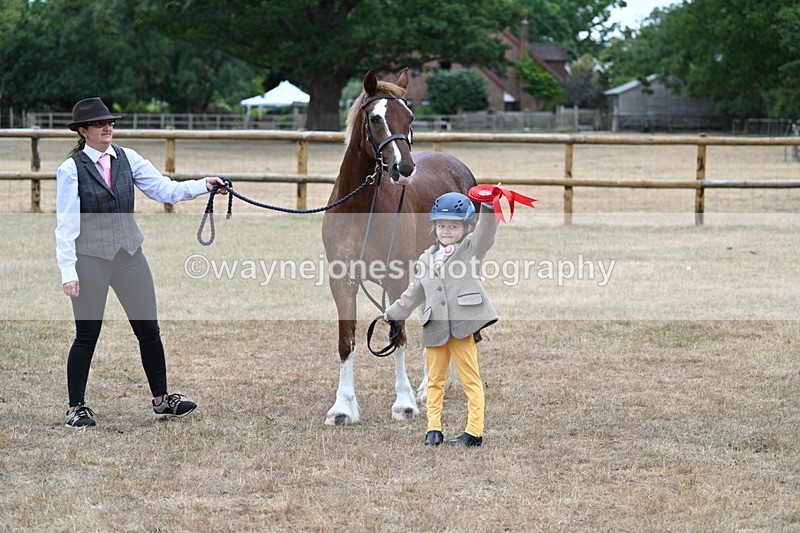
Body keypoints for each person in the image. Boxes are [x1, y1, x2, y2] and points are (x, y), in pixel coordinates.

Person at [56, 97, 227, 428]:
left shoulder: (128, 158)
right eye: (99, 124)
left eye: (110, 122)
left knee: (149, 329)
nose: (107, 127)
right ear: (83, 131)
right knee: (87, 334)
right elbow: (66, 225)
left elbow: (164, 190)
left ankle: (162, 401)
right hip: (90, 259)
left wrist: (203, 185)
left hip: (129, 257)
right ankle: (75, 408)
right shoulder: (71, 170)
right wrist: (68, 271)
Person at [384, 192, 498, 447]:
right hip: (434, 325)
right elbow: (414, 292)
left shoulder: (470, 249)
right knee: (434, 380)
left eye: (453, 226)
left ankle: (474, 431)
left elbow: (486, 235)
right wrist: (393, 313)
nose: (446, 231)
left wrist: (489, 206)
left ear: (467, 228)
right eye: (441, 226)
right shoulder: (426, 258)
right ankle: (433, 428)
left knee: (470, 379)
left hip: (461, 325)